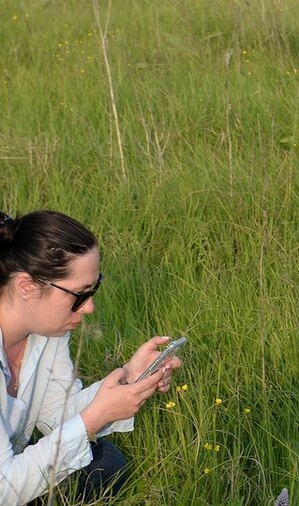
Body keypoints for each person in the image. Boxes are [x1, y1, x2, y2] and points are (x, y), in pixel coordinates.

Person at [0, 209, 181, 504]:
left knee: (104, 462)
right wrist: (94, 419)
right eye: (80, 294)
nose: (89, 308)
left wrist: (129, 378)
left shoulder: (49, 331)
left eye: (94, 288)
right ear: (26, 286)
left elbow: (56, 416)